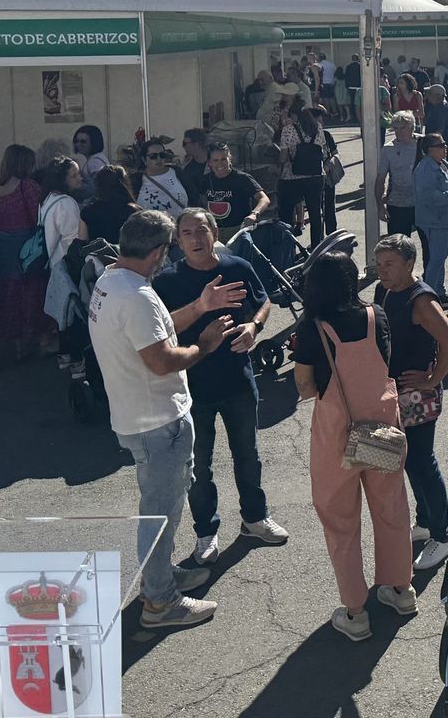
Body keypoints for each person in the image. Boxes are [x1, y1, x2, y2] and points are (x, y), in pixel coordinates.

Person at [89, 210, 239, 627]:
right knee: (161, 512)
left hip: (139, 418)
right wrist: (205, 346)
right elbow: (161, 358)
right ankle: (160, 601)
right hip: (158, 422)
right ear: (157, 252)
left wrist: (200, 306)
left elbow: (156, 331)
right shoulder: (135, 296)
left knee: (159, 509)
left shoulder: (111, 281)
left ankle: (160, 577)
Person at [292, 251, 417, 636]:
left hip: (338, 434)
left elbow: (306, 386)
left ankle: (355, 611)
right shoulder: (374, 315)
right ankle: (401, 588)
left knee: (340, 521)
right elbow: (385, 361)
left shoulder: (313, 327)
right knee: (391, 508)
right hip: (381, 427)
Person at [152, 209, 287, 566]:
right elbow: (161, 330)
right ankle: (205, 532)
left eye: (201, 230)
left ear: (213, 233)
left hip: (239, 382)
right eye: (186, 233)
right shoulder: (166, 282)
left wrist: (254, 328)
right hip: (192, 388)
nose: (195, 238)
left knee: (248, 456)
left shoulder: (238, 267)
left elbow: (264, 302)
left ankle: (254, 518)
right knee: (199, 466)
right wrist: (200, 311)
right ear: (177, 241)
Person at [369, 234, 448, 575]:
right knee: (406, 459)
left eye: (390, 264)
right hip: (394, 391)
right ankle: (425, 520)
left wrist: (432, 379)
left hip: (417, 395)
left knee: (423, 461)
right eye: (379, 265)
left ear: (410, 264)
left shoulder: (421, 299)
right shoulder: (385, 291)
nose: (383, 272)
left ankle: (442, 535)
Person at [0, 144, 49, 357]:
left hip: (0, 247)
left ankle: (7, 342)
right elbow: (36, 217)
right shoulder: (27, 187)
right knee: (28, 294)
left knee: (4, 295)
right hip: (24, 246)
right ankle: (28, 343)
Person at [413, 133, 448, 309]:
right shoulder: (425, 168)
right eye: (441, 145)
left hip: (446, 220)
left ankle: (439, 294)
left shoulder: (442, 164)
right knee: (436, 259)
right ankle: (427, 300)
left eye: (445, 144)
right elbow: (428, 196)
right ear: (429, 150)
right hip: (435, 221)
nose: (445, 147)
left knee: (439, 258)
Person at [36, 155, 83, 352]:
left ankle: (62, 354)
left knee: (60, 312)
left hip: (51, 261)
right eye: (74, 175)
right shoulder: (67, 203)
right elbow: (73, 238)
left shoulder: (46, 199)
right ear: (62, 179)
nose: (80, 178)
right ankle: (70, 357)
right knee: (71, 314)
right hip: (66, 262)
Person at [279, 96, 331, 246]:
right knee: (315, 214)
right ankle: (316, 246)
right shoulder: (318, 128)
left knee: (287, 214)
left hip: (292, 177)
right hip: (315, 176)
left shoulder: (288, 130)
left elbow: (283, 158)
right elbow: (323, 151)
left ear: (293, 115)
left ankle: (288, 247)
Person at [199, 143, 268, 241]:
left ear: (229, 159)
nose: (220, 164)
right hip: (214, 231)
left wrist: (254, 214)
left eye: (223, 159)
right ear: (209, 162)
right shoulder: (205, 180)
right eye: (215, 160)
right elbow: (203, 201)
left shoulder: (242, 178)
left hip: (239, 230)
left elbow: (264, 199)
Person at [376, 113, 422, 258]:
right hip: (397, 203)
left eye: (402, 128)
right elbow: (380, 179)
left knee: (429, 245)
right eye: (395, 128)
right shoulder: (388, 149)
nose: (398, 132)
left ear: (411, 127)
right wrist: (380, 206)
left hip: (422, 203)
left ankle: (429, 278)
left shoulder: (423, 143)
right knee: (398, 250)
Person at [80, 164, 140, 245]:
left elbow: (82, 241)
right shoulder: (133, 211)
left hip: (96, 256)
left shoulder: (87, 212)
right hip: (124, 256)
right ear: (124, 184)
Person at [136, 139, 190, 219]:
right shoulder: (135, 180)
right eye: (153, 156)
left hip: (180, 226)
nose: (158, 158)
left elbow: (194, 197)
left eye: (162, 155)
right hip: (151, 228)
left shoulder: (177, 173)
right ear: (144, 159)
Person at [423, 86, 448, 165]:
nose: (427, 96)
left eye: (430, 93)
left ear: (438, 96)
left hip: (440, 148)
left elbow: (439, 131)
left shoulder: (441, 109)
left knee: (439, 172)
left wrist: (431, 147)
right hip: (443, 147)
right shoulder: (440, 105)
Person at [177, 129, 210, 205]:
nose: (183, 147)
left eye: (185, 143)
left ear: (196, 144)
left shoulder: (215, 162)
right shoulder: (185, 163)